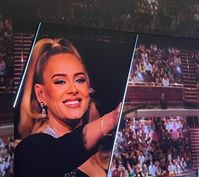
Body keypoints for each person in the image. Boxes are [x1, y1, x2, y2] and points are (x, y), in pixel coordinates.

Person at [14, 38, 121, 177]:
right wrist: (111, 120)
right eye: (60, 81)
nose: (73, 89)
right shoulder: (30, 151)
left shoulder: (100, 150)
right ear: (41, 94)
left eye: (79, 80)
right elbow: (58, 154)